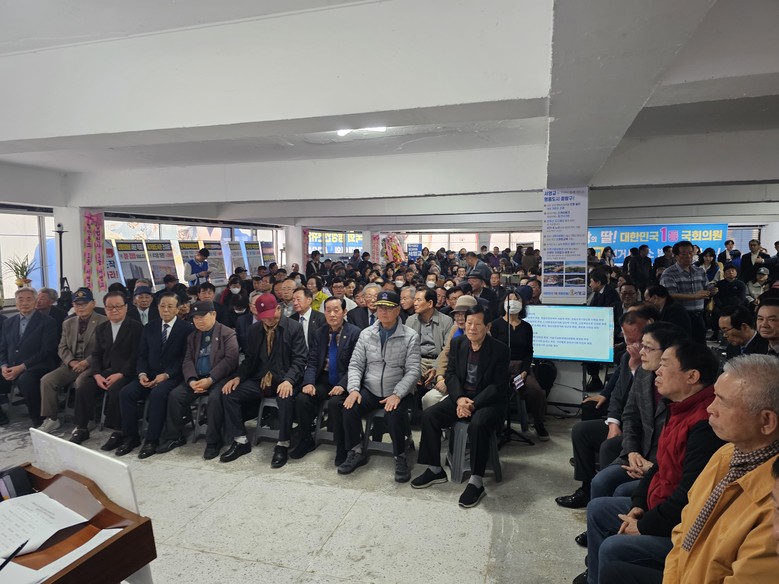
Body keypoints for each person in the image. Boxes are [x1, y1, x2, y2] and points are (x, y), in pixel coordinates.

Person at [607, 355, 779, 583]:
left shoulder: (772, 502)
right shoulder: (726, 455)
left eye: (723, 402)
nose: (710, 407)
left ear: (766, 421)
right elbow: (684, 529)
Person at [576, 340, 724, 584]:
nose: (658, 371)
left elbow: (687, 497)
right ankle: (595, 576)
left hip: (679, 524)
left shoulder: (704, 424)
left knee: (613, 546)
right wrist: (638, 504)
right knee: (598, 508)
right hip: (657, 501)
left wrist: (643, 525)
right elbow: (660, 465)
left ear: (692, 376)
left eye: (665, 364)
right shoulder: (678, 408)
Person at [411, 305, 509, 508]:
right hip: (461, 396)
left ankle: (476, 481)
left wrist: (473, 405)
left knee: (478, 424)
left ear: (488, 326)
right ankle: (434, 469)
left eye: (478, 324)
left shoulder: (500, 350)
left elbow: (497, 386)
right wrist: (459, 400)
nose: (472, 328)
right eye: (469, 323)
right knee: (430, 416)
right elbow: (451, 374)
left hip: (487, 401)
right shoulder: (459, 343)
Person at [337, 290, 420, 482]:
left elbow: (414, 370)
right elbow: (356, 364)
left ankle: (400, 456)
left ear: (397, 310)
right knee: (348, 408)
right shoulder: (367, 334)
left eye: (388, 308)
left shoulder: (410, 336)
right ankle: (356, 451)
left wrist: (397, 394)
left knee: (394, 414)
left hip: (396, 390)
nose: (383, 311)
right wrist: (354, 389)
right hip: (371, 389)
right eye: (380, 307)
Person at [218, 293, 307, 468]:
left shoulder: (293, 328)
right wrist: (238, 377)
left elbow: (299, 360)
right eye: (264, 318)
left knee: (285, 398)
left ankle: (283, 443)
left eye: (271, 316)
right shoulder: (254, 330)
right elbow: (250, 359)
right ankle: (241, 440)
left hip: (284, 378)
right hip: (260, 378)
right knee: (229, 393)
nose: (268, 320)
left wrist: (289, 380)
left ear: (279, 309)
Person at [156, 301, 239, 458]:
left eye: (202, 317)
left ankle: (213, 441)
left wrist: (211, 379)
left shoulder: (227, 333)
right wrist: (191, 380)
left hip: (219, 378)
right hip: (197, 378)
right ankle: (174, 437)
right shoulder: (193, 336)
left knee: (215, 399)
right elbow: (187, 360)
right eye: (195, 318)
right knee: (175, 395)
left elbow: (231, 360)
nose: (198, 321)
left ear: (213, 314)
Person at [116, 292, 194, 457]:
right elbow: (142, 355)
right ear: (157, 307)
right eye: (162, 306)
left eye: (170, 306)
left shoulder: (187, 329)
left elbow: (184, 358)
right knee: (126, 393)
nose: (165, 310)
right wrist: (142, 373)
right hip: (149, 374)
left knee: (157, 394)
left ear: (178, 309)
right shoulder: (150, 327)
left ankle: (152, 439)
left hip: (172, 376)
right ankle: (131, 437)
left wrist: (166, 375)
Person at [290, 296, 361, 464]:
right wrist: (309, 382)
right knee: (302, 399)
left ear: (344, 312)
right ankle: (306, 439)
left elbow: (356, 365)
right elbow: (312, 361)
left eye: (336, 310)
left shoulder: (355, 333)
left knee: (336, 403)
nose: (332, 314)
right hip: (324, 379)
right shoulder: (320, 332)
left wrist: (343, 385)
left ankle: (342, 445)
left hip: (345, 380)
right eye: (328, 311)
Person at [70, 291, 142, 447]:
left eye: (118, 306)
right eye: (110, 307)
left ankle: (118, 431)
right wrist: (96, 375)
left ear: (126, 307)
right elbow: (96, 354)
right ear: (105, 309)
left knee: (116, 390)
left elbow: (136, 355)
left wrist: (121, 374)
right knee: (84, 389)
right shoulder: (102, 328)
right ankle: (82, 428)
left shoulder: (136, 327)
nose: (114, 310)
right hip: (104, 372)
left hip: (126, 373)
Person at [39, 287, 107, 433]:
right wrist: (71, 361)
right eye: (77, 304)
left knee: (81, 382)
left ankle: (86, 420)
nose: (80, 307)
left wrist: (86, 362)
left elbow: (104, 348)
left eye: (84, 304)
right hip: (72, 364)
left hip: (93, 364)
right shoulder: (68, 323)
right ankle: (52, 418)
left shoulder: (104, 321)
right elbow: (62, 347)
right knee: (47, 380)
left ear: (93, 303)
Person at [491, 292, 548, 440]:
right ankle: (497, 428)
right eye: (509, 299)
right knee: (496, 391)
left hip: (520, 369)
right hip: (501, 368)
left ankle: (539, 423)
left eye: (516, 299)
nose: (513, 301)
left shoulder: (527, 327)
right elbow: (492, 350)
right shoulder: (495, 325)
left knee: (535, 391)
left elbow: (529, 352)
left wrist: (524, 371)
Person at [0, 288, 58, 427]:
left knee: (26, 380)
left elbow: (47, 350)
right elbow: (3, 348)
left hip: (38, 365)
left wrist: (22, 367)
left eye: (28, 299)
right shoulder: (8, 322)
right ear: (16, 302)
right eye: (20, 299)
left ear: (35, 301)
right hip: (11, 365)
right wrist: (3, 366)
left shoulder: (47, 322)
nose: (24, 303)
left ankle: (38, 419)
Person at [660, 240, 712, 343]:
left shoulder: (699, 271)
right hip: (679, 317)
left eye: (690, 253)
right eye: (683, 254)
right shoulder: (669, 273)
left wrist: (712, 289)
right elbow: (670, 295)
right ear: (676, 256)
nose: (688, 256)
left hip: (699, 315)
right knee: (682, 347)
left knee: (700, 347)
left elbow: (707, 286)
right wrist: (694, 296)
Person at [405, 288, 454, 389]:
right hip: (418, 361)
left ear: (430, 303)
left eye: (419, 300)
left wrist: (436, 367)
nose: (415, 303)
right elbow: (406, 348)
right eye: (414, 300)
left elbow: (446, 350)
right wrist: (415, 369)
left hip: (438, 360)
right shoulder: (410, 320)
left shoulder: (446, 321)